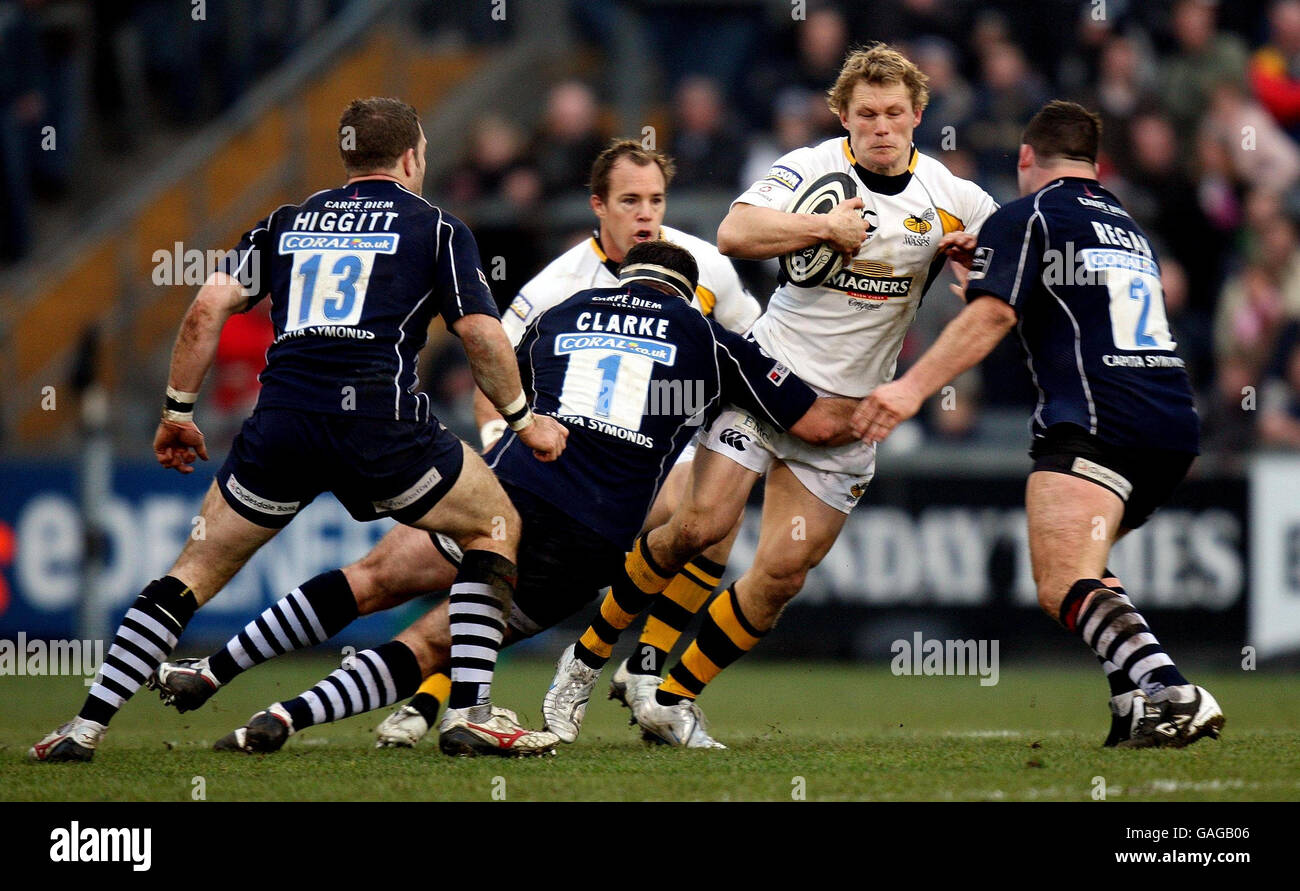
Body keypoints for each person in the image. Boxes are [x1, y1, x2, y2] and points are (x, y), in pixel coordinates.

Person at [154, 242, 856, 755]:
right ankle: (282, 719)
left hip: (509, 491)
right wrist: (877, 404)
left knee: (369, 578)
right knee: (433, 642)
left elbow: (498, 373)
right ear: (688, 293)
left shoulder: (564, 311)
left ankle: (212, 669)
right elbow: (815, 421)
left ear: (624, 278)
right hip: (588, 536)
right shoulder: (709, 336)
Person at [28, 97, 568, 762]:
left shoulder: (288, 221)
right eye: (423, 153)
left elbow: (206, 307)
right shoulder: (436, 227)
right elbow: (481, 333)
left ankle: (83, 727)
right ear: (411, 157)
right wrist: (524, 418)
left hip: (281, 421)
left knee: (190, 572)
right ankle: (469, 712)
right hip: (380, 422)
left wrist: (177, 412)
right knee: (495, 526)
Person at [545, 43, 999, 748]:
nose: (880, 126)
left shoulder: (953, 197)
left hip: (853, 411)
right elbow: (733, 232)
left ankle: (671, 696)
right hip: (769, 376)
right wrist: (824, 226)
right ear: (843, 115)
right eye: (866, 113)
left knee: (782, 573)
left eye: (894, 113)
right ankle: (584, 659)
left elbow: (1003, 274)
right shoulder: (813, 167)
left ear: (918, 116)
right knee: (699, 527)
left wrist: (976, 260)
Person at [853, 100, 1224, 749]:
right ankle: (1135, 705)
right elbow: (1055, 307)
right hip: (1170, 422)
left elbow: (994, 318)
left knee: (1059, 581)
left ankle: (1173, 690)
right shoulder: (1126, 226)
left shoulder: (1028, 215)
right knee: (1088, 567)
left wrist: (910, 388)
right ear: (1095, 162)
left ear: (1026, 158)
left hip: (1099, 417)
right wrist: (990, 272)